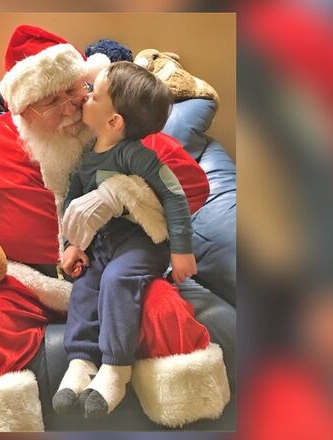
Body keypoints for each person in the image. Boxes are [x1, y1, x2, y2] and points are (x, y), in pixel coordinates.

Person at [0, 24, 230, 431]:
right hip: (26, 281)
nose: (70, 109)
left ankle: (190, 418)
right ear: (22, 111)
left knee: (165, 311)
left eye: (74, 91)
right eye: (50, 101)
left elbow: (193, 188)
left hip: (117, 271)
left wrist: (122, 192)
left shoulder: (118, 127)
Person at [54, 61, 198, 418]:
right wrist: (72, 245)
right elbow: (73, 205)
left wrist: (182, 251)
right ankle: (80, 362)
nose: (85, 98)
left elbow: (175, 196)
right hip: (101, 246)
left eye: (94, 95)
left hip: (142, 244)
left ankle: (116, 368)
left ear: (114, 121)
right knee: (85, 286)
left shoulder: (135, 155)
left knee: (117, 280)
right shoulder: (85, 157)